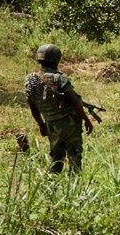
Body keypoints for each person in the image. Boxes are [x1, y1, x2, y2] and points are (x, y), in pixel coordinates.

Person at [25, 43, 94, 174]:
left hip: (51, 123)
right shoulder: (60, 78)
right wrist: (87, 120)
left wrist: (41, 124)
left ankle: (52, 185)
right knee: (74, 154)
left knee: (56, 157)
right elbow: (74, 101)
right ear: (57, 60)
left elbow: (33, 107)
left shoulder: (31, 80)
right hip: (69, 122)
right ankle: (74, 185)